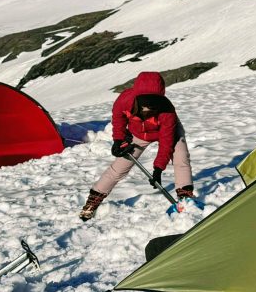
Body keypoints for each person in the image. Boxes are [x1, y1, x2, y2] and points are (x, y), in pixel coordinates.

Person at [78, 71, 194, 220]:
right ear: (137, 96)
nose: (148, 109)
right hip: (138, 134)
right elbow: (118, 117)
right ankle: (93, 201)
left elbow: (166, 141)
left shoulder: (167, 111)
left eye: (154, 104)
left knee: (181, 158)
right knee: (119, 167)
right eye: (145, 103)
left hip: (166, 133)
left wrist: (158, 168)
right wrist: (118, 140)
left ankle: (185, 198)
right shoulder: (125, 100)